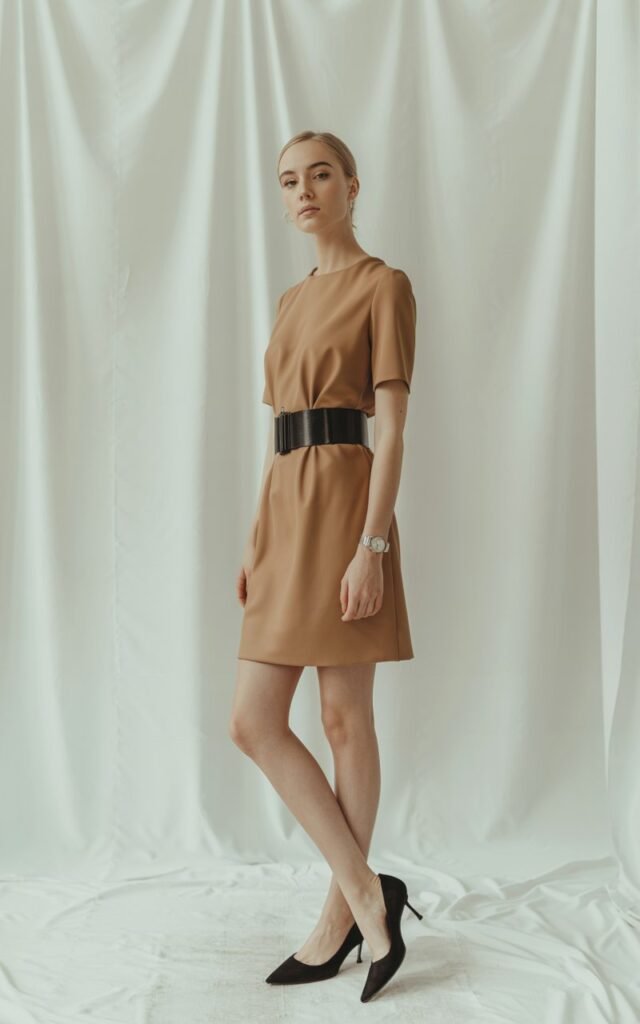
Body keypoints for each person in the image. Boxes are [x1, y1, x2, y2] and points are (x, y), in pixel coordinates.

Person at [229, 130, 422, 1002]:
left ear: (352, 185)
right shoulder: (288, 299)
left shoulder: (385, 285)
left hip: (348, 508)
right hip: (285, 511)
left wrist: (371, 547)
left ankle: (340, 919)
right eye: (288, 181)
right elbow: (279, 435)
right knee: (253, 721)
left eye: (319, 175)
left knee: (344, 719)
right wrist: (254, 536)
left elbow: (392, 428)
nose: (303, 191)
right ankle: (370, 894)